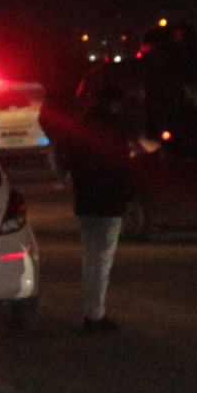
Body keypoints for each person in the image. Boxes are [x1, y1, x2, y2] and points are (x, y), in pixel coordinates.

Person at [56, 87, 137, 333]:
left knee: (90, 259)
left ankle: (91, 311)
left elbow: (65, 160)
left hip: (86, 203)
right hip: (109, 204)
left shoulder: (79, 131)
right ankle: (95, 315)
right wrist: (128, 197)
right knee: (102, 261)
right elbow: (123, 168)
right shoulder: (116, 132)